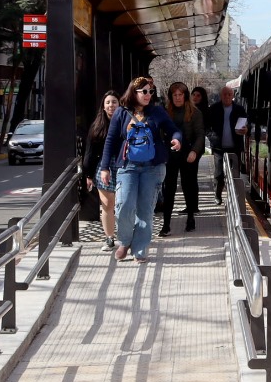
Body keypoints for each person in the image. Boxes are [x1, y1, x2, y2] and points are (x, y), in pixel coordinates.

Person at [97, 76, 183, 263]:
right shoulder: (121, 112)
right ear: (133, 92)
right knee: (124, 206)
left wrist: (176, 139)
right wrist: (104, 167)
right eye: (144, 91)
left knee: (145, 210)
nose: (148, 95)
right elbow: (110, 140)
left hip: (153, 167)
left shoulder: (157, 112)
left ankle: (140, 248)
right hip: (127, 166)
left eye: (150, 92)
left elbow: (173, 129)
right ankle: (125, 241)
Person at [159, 81, 205, 236]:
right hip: (170, 154)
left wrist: (194, 151)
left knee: (188, 186)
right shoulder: (166, 112)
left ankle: (190, 217)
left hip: (188, 154)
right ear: (171, 97)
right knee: (169, 189)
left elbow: (200, 135)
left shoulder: (195, 112)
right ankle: (166, 224)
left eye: (180, 95)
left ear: (185, 96)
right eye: (175, 95)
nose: (178, 98)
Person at [82, 90, 119, 249]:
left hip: (124, 165)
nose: (111, 105)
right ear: (103, 107)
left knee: (124, 204)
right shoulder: (97, 126)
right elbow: (89, 152)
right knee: (107, 204)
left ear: (120, 104)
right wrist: (88, 174)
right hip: (103, 168)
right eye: (108, 102)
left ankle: (126, 236)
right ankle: (109, 237)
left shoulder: (126, 122)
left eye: (114, 102)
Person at [206, 84, 247, 204]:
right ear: (221, 96)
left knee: (235, 174)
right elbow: (207, 127)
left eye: (229, 94)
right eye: (225, 94)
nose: (227, 97)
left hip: (235, 147)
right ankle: (218, 195)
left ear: (233, 95)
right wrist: (212, 137)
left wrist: (245, 130)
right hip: (219, 147)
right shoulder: (213, 109)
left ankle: (233, 197)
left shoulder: (239, 109)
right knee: (219, 174)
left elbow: (246, 124)